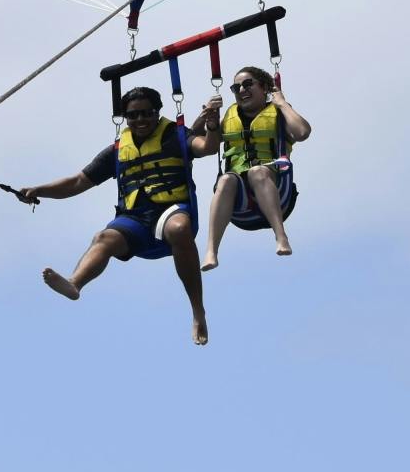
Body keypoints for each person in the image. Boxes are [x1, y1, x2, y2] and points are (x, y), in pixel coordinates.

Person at [19, 85, 221, 345]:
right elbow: (78, 182)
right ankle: (74, 283)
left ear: (157, 113)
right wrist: (39, 190)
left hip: (171, 211)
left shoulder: (177, 135)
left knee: (179, 228)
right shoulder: (117, 150)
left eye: (146, 113)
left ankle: (197, 311)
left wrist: (213, 127)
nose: (140, 120)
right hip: (134, 220)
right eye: (133, 115)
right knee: (104, 237)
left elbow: (207, 147)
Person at [201, 66, 310, 271]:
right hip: (240, 202)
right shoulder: (229, 116)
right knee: (225, 180)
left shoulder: (278, 113)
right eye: (236, 87)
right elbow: (207, 146)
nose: (242, 90)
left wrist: (282, 103)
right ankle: (211, 250)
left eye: (248, 84)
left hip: (277, 187)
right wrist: (210, 123)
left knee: (257, 171)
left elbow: (303, 132)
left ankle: (281, 236)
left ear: (265, 88)